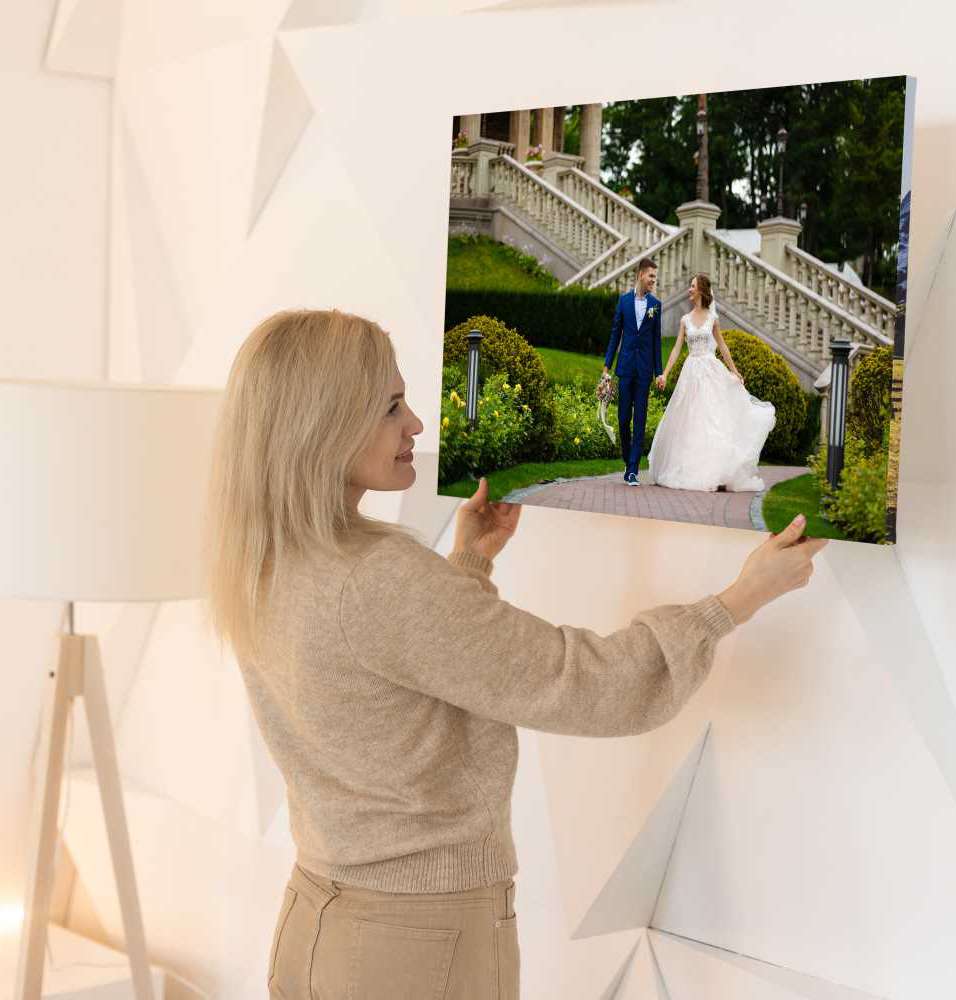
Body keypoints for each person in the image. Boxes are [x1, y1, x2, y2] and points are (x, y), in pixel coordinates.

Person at [204, 308, 827, 1000]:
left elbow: (396, 675)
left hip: (317, 923)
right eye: (390, 406)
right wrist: (737, 600)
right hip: (416, 947)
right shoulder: (375, 578)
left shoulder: (268, 555)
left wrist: (466, 566)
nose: (415, 422)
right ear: (322, 425)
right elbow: (584, 684)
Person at [648, 273, 777, 492]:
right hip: (691, 372)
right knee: (690, 419)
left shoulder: (712, 319)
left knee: (712, 419)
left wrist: (735, 372)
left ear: (701, 290)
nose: (689, 290)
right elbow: (677, 349)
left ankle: (717, 471)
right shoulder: (685, 320)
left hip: (710, 370)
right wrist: (665, 373)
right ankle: (691, 468)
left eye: (692, 286)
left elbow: (723, 347)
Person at [603, 257, 662, 486]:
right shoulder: (623, 302)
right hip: (625, 368)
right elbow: (615, 335)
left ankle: (633, 469)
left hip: (645, 370)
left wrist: (658, 372)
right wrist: (607, 365)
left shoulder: (656, 305)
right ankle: (627, 458)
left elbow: (656, 341)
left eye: (655, 278)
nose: (653, 281)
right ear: (640, 275)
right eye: (651, 276)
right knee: (623, 417)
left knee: (640, 418)